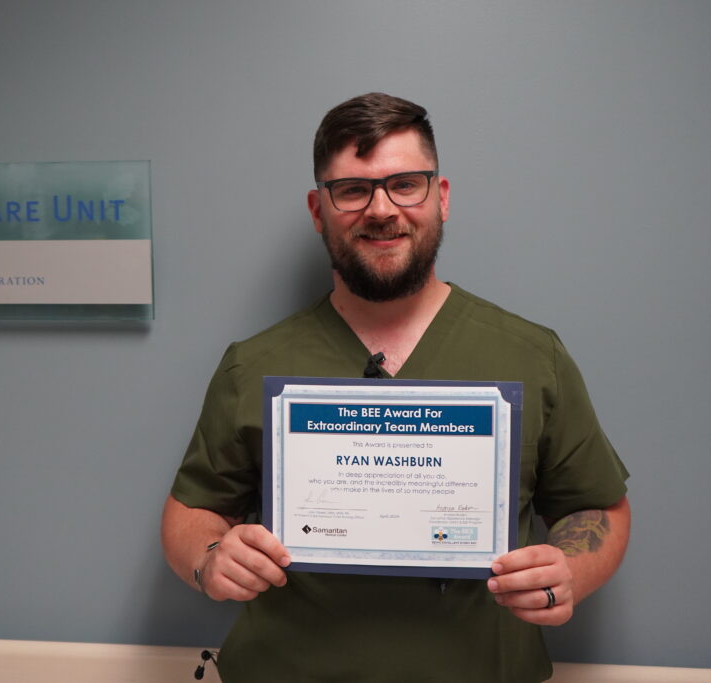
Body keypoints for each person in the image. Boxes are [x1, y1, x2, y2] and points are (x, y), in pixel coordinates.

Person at [161, 92, 630, 682]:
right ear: (317, 209)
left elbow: (598, 505)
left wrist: (571, 569)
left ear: (442, 197)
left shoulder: (534, 358)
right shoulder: (251, 365)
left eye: (406, 183)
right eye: (352, 189)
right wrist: (211, 559)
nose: (381, 209)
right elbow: (190, 509)